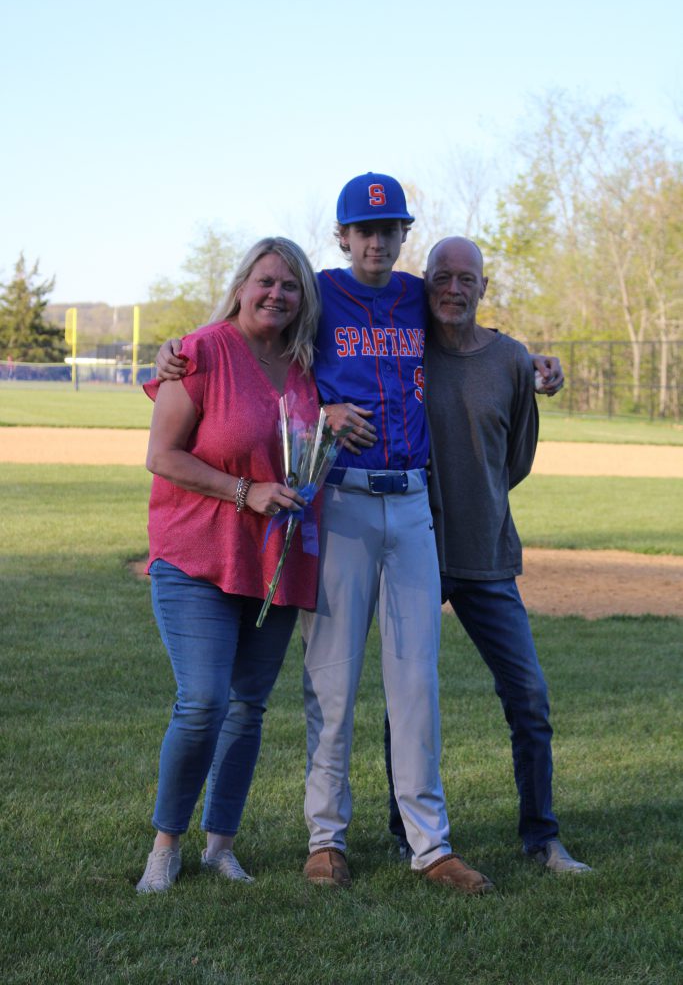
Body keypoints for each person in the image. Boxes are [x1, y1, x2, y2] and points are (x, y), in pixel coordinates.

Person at [155, 172, 563, 894]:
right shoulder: (315, 294)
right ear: (341, 237)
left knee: (415, 681)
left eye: (389, 230)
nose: (376, 241)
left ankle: (429, 844)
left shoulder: (415, 294)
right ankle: (325, 838)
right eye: (363, 230)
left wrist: (529, 361)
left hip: (411, 505)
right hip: (336, 503)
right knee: (331, 682)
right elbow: (251, 338)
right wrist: (173, 355)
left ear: (403, 236)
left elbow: (472, 336)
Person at [384, 236, 590, 874]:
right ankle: (406, 833)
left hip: (487, 553)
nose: (452, 287)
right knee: (408, 700)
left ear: (483, 287)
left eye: (464, 278)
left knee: (528, 694)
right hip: (416, 551)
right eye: (440, 276)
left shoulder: (510, 359)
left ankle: (542, 837)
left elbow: (516, 460)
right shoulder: (403, 347)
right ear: (424, 281)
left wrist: (480, 498)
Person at [136, 237, 323, 893]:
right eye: (265, 281)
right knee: (204, 701)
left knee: (248, 706)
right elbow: (163, 455)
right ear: (242, 284)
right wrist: (247, 492)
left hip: (276, 560)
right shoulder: (203, 349)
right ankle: (166, 845)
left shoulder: (307, 365)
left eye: (290, 285)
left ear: (304, 299)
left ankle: (220, 845)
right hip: (197, 554)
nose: (276, 294)